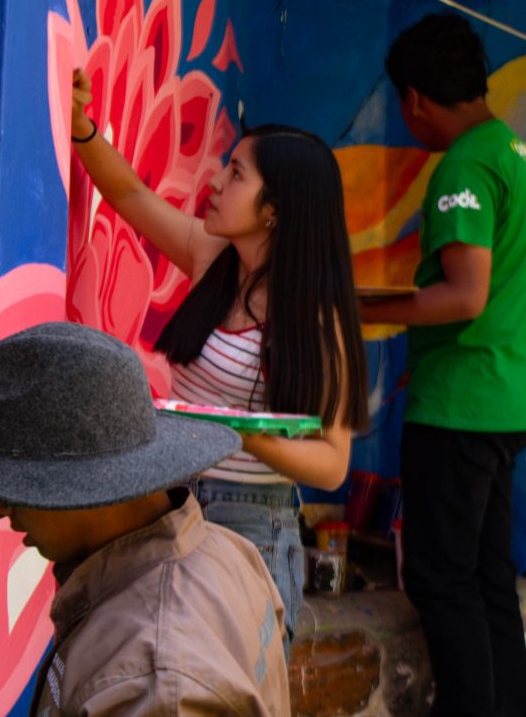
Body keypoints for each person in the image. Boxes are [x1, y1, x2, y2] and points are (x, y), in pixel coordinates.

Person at [71, 69, 369, 650]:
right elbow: (130, 195)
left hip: (252, 523)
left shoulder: (316, 318)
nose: (215, 180)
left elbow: (333, 465)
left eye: (235, 174)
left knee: (227, 692)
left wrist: (240, 436)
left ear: (274, 212)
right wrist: (83, 128)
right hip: (168, 503)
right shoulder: (213, 260)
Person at [0, 322, 291, 717]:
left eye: (14, 488)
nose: (0, 510)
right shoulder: (227, 551)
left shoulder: (154, 686)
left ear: (91, 488)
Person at [360, 12, 526, 717]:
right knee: (488, 579)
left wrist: (357, 310)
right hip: (505, 398)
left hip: (458, 402)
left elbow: (464, 295)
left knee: (441, 580)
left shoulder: (463, 164)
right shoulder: (514, 151)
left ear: (415, 100)